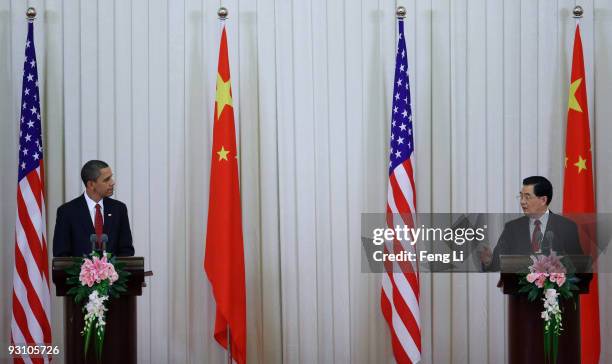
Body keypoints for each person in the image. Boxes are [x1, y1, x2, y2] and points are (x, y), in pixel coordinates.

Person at [481, 176, 583, 271]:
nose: (522, 201)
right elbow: (496, 263)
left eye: (527, 197)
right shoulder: (512, 228)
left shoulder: (566, 227)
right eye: (521, 196)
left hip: (555, 289)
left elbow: (580, 267)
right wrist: (488, 261)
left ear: (543, 200)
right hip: (520, 289)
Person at [53, 160, 135, 257]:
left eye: (111, 178)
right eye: (106, 180)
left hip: (113, 272)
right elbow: (61, 254)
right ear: (91, 185)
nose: (112, 183)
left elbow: (126, 250)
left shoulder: (119, 209)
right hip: (79, 272)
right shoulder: (67, 212)